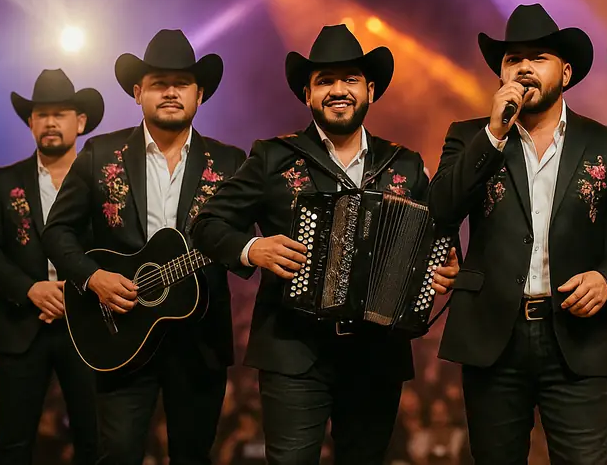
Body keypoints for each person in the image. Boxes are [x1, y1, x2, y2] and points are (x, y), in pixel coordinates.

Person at [190, 23, 459, 465]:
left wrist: (441, 269)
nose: (338, 90)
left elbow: (434, 240)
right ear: (308, 95)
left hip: (377, 355)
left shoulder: (405, 164)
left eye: (350, 79)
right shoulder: (273, 157)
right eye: (324, 81)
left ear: (370, 90)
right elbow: (206, 223)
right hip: (293, 350)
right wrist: (252, 249)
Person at [429, 3, 607, 465]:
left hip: (577, 336)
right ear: (500, 74)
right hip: (493, 336)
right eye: (514, 59)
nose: (524, 68)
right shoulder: (470, 136)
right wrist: (494, 134)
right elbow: (440, 210)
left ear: (566, 73)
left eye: (538, 58)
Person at [43, 30, 247, 465]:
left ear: (199, 94)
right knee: (118, 454)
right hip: (119, 333)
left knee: (193, 456)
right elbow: (56, 231)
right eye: (159, 83)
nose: (171, 92)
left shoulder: (231, 162)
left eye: (182, 83)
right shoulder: (101, 153)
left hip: (200, 339)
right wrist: (92, 277)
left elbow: (247, 240)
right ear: (138, 93)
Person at [0, 69, 102, 464]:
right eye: (41, 114)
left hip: (90, 326)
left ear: (80, 121)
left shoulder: (105, 179)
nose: (50, 122)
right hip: (21, 325)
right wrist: (30, 289)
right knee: (13, 446)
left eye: (60, 113)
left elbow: (118, 246)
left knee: (96, 444)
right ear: (30, 122)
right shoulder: (4, 181)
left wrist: (77, 289)